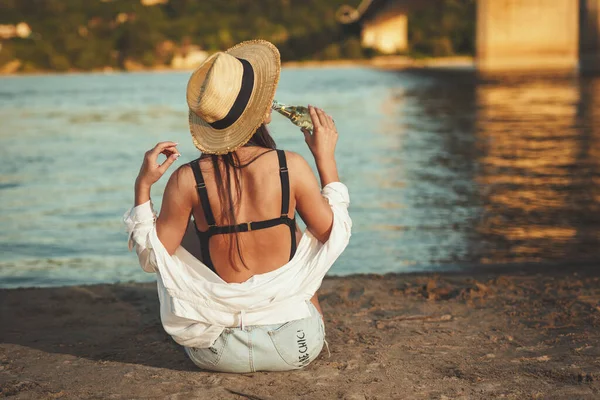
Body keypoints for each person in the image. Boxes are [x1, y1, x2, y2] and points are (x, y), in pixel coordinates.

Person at [124, 40, 352, 373]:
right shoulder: (291, 166)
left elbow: (151, 257)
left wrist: (142, 186)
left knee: (183, 235)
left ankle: (228, 309)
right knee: (301, 230)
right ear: (262, 114)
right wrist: (325, 158)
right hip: (298, 347)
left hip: (217, 354)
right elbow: (335, 234)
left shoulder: (187, 179)